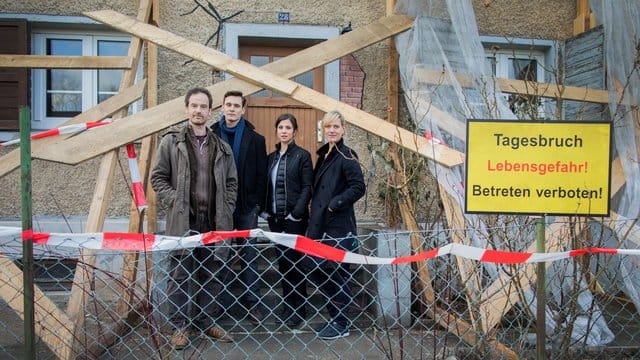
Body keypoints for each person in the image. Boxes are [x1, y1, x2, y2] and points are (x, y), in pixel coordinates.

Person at [151, 87, 238, 349]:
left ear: (210, 111)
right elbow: (158, 178)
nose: (198, 111)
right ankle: (180, 326)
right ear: (187, 109)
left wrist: (226, 206)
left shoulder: (222, 147)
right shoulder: (172, 142)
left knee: (212, 273)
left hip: (213, 222)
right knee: (180, 274)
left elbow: (232, 183)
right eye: (194, 106)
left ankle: (208, 321)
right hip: (183, 221)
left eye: (203, 107)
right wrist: (176, 201)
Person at [305, 110, 366, 340]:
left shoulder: (347, 156)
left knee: (338, 274)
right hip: (319, 226)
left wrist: (334, 203)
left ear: (344, 129)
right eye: (328, 126)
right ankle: (335, 318)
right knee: (317, 270)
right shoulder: (324, 155)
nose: (332, 130)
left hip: (338, 226)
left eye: (336, 127)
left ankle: (342, 323)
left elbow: (358, 187)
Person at [211, 90, 268, 325]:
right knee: (220, 256)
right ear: (222, 108)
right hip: (219, 207)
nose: (232, 109)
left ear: (243, 109)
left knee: (249, 256)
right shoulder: (211, 134)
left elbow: (262, 175)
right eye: (228, 105)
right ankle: (219, 306)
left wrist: (256, 205)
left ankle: (252, 304)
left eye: (237, 105)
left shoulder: (256, 139)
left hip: (246, 208)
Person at [262, 113, 313, 328]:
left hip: (295, 220)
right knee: (283, 265)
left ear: (294, 132)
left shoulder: (302, 156)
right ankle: (287, 305)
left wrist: (296, 214)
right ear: (277, 130)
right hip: (275, 221)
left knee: (295, 264)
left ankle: (299, 309)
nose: (284, 131)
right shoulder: (271, 158)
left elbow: (307, 187)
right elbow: (266, 187)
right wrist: (265, 212)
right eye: (281, 127)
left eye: (288, 128)